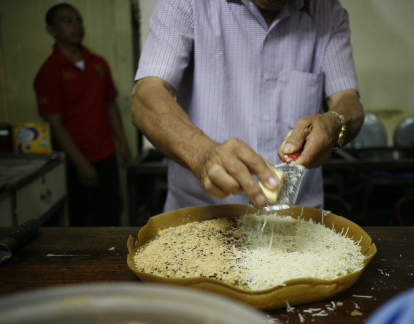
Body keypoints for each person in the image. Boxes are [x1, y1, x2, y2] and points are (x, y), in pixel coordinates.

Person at [132, 0, 364, 212]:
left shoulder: (328, 12)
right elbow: (146, 97)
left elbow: (349, 103)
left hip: (296, 225)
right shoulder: (186, 4)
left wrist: (335, 122)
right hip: (201, 220)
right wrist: (203, 154)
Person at [34, 3, 131, 226]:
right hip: (74, 161)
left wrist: (123, 143)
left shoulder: (98, 63)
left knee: (111, 215)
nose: (76, 26)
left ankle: (113, 262)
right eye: (67, 21)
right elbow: (54, 123)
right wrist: (80, 164)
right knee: (81, 222)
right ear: (51, 30)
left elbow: (110, 105)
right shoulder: (49, 72)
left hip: (106, 154)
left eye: (79, 20)